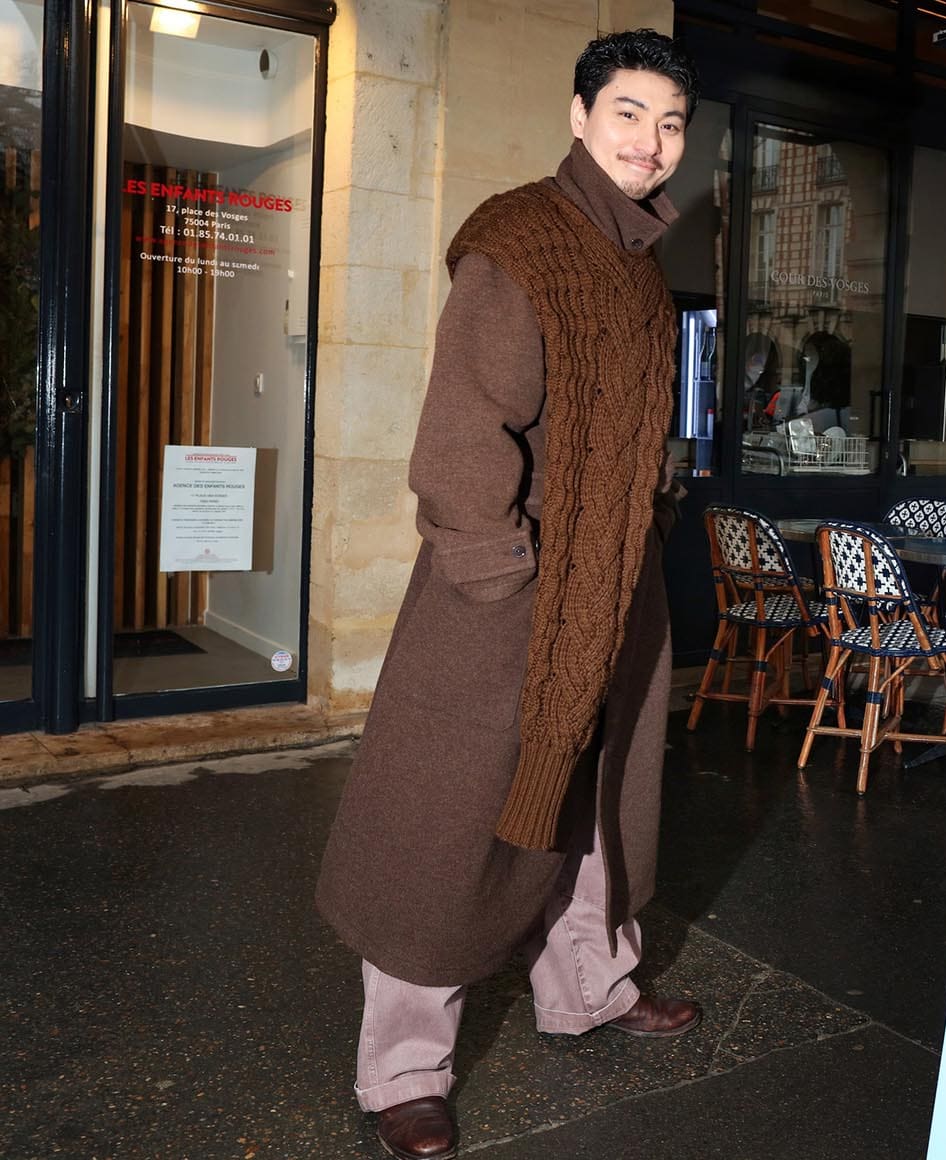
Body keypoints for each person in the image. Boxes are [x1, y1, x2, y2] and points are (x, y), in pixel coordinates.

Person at [315, 29, 701, 1160]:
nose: (650, 140)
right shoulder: (520, 238)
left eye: (670, 122)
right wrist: (501, 575)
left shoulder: (637, 257)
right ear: (580, 117)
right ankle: (402, 1068)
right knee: (440, 834)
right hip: (507, 603)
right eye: (628, 113)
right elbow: (462, 433)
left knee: (595, 808)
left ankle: (588, 985)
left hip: (613, 586)